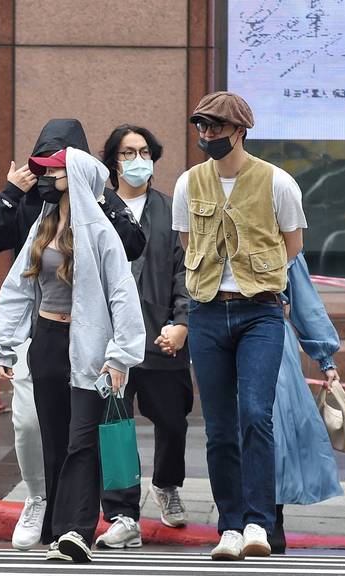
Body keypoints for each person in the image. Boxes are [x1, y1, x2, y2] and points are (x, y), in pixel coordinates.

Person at [0, 119, 144, 550]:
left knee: (81, 437)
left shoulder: (101, 231)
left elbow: (122, 294)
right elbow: (20, 286)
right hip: (48, 343)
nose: (46, 179)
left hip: (90, 344)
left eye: (53, 171)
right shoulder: (42, 223)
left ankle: (76, 528)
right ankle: (59, 528)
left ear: (74, 175)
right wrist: (4, 344)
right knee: (53, 438)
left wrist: (120, 355)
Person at [172, 91, 307, 560]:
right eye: (202, 128)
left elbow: (292, 245)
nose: (208, 136)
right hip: (208, 311)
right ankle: (229, 525)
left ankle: (258, 523)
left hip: (261, 311)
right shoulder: (190, 183)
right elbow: (188, 241)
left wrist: (254, 274)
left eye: (216, 128)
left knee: (255, 413)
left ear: (240, 131)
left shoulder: (278, 183)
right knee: (219, 425)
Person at [95, 125, 193, 549]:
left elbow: (184, 273)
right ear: (112, 161)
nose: (137, 159)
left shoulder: (171, 214)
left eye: (143, 151)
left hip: (161, 338)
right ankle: (121, 511)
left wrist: (182, 323)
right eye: (127, 152)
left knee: (172, 419)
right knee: (115, 425)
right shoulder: (96, 212)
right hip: (110, 342)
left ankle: (167, 483)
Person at [271, 253, 342, 553]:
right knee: (228, 431)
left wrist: (326, 359)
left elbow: (305, 302)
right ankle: (238, 514)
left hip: (272, 334)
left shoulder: (284, 239)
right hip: (222, 338)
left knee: (275, 430)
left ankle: (271, 516)